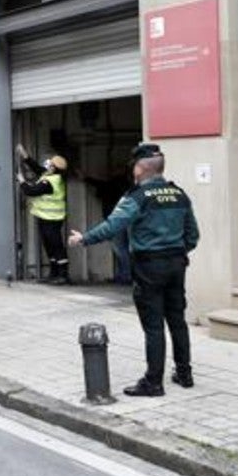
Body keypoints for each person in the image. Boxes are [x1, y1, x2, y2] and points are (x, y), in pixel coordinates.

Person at [67, 143, 200, 397]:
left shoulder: (137, 197)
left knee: (153, 326)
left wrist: (84, 239)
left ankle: (153, 382)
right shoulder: (179, 194)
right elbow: (193, 236)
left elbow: (112, 226)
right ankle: (185, 374)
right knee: (177, 321)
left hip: (149, 266)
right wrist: (175, 251)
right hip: (176, 264)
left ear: (139, 169)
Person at [17, 145, 70, 285]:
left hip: (52, 219)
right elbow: (37, 168)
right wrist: (25, 156)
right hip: (45, 217)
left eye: (50, 163)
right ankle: (53, 273)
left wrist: (22, 181)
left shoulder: (50, 181)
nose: (47, 163)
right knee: (49, 245)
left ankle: (63, 275)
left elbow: (32, 191)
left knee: (56, 245)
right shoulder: (49, 175)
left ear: (54, 167)